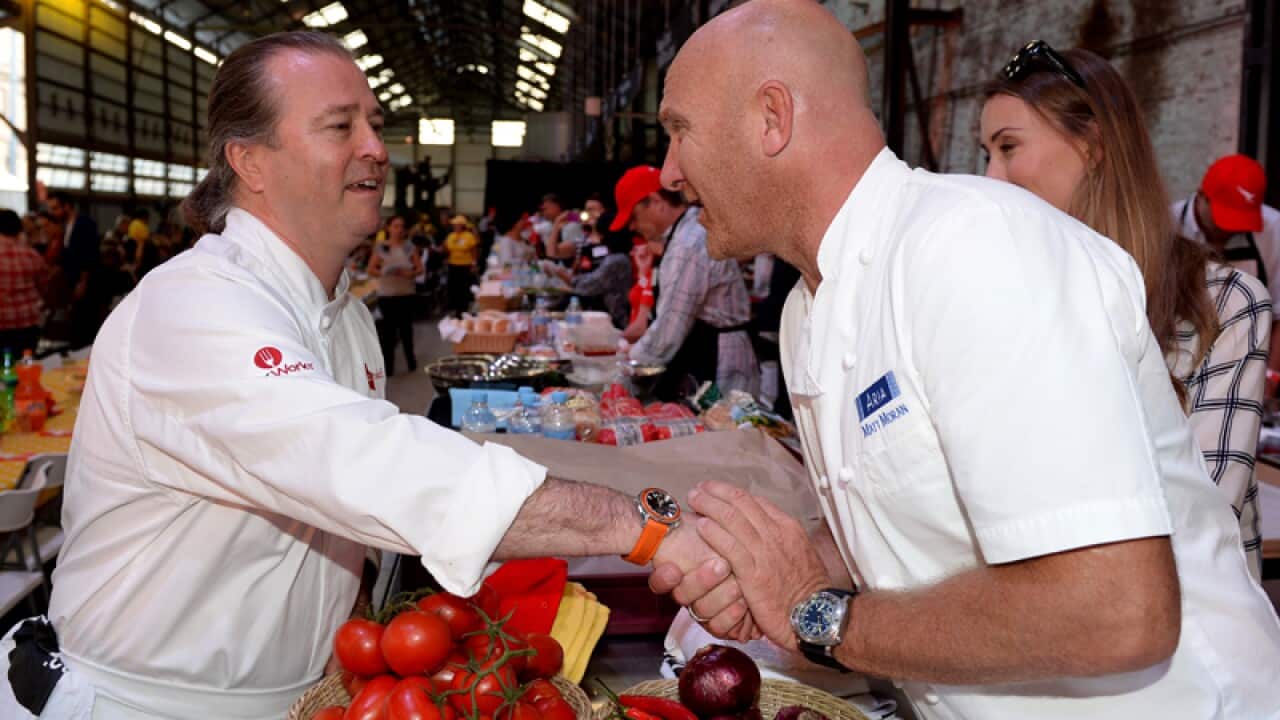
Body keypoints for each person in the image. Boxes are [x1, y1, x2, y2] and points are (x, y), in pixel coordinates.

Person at [0, 32, 739, 719]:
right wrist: (636, 523)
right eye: (339, 126)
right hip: (145, 705)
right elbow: (368, 464)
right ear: (249, 161)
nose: (376, 149)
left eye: (375, 124)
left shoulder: (344, 318)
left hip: (299, 694)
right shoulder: (193, 307)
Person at [647, 2, 1280, 718]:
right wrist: (767, 563)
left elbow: (1114, 612)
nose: (669, 172)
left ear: (771, 117)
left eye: (679, 130)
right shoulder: (807, 310)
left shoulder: (972, 248)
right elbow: (914, 530)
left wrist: (820, 615)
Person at [980, 43, 1272, 581]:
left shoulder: (1226, 301)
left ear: (1091, 145)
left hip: (1196, 636)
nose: (992, 178)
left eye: (1009, 147)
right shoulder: (1003, 294)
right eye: (986, 155)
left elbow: (1203, 517)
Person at [614, 165, 759, 398]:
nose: (632, 227)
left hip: (720, 358)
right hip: (707, 347)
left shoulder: (688, 244)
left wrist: (624, 373)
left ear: (656, 202)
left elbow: (670, 327)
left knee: (721, 430)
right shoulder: (685, 233)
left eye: (633, 217)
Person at [1173, 154, 1280, 373]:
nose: (1231, 229)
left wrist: (1271, 374)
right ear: (1202, 196)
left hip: (1249, 359)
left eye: (1241, 220)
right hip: (1178, 355)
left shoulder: (1274, 229)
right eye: (1225, 219)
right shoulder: (1168, 224)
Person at [545, 211, 634, 329]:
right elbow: (552, 252)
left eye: (594, 210)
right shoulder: (584, 242)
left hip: (612, 320)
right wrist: (557, 224)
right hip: (598, 312)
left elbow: (588, 285)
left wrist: (563, 274)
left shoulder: (617, 260)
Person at [368, 213, 424, 374]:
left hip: (406, 293)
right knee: (388, 333)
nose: (399, 230)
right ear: (388, 228)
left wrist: (411, 274)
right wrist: (384, 273)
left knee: (406, 330)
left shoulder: (409, 247)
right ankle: (389, 367)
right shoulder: (382, 247)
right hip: (387, 295)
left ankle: (411, 362)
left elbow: (420, 268)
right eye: (395, 226)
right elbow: (371, 269)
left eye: (402, 227)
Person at [0, 209, 48, 354]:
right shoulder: (31, 254)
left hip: (2, 323)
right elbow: (44, 287)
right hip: (28, 323)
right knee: (26, 368)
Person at [534, 193, 587, 261]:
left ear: (557, 206)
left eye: (546, 208)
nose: (543, 210)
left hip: (571, 263)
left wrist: (558, 221)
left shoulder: (572, 223)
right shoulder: (545, 225)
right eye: (543, 208)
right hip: (553, 263)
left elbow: (553, 253)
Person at [444, 213, 478, 315]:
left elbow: (474, 250)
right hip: (453, 265)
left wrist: (474, 263)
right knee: (454, 287)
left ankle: (463, 309)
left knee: (464, 288)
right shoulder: (450, 236)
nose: (455, 226)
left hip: (465, 265)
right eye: (454, 224)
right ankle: (457, 309)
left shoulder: (469, 236)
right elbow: (446, 249)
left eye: (457, 224)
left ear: (462, 225)